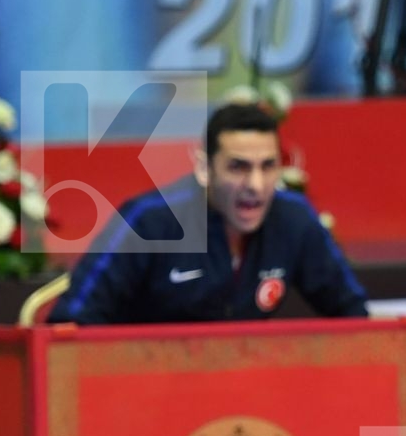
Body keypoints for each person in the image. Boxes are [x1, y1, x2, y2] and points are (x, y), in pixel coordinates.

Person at [47, 101, 368, 325]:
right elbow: (70, 323)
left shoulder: (294, 220)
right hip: (145, 392)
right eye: (237, 167)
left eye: (267, 167)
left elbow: (354, 314)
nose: (255, 185)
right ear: (204, 168)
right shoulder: (149, 221)